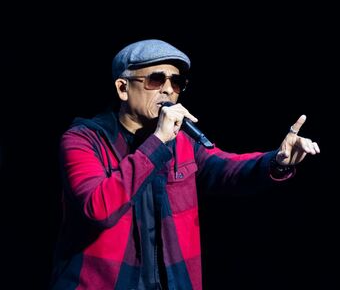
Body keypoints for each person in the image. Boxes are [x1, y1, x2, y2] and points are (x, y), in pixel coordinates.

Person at [50, 39, 320, 289]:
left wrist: (276, 161)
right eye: (156, 79)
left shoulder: (180, 142)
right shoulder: (83, 140)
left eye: (176, 82)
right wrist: (157, 141)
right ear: (123, 88)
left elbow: (227, 168)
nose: (168, 89)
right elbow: (98, 208)